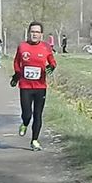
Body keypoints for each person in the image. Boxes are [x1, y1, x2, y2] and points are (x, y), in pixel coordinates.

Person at [11, 21, 57, 151]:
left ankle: (35, 140)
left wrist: (52, 66)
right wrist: (17, 74)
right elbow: (16, 62)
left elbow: (52, 60)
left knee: (38, 114)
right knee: (27, 114)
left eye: (37, 32)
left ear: (41, 34)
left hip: (40, 87)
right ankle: (25, 123)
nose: (34, 34)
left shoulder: (46, 47)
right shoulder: (22, 47)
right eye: (32, 32)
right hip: (25, 86)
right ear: (29, 33)